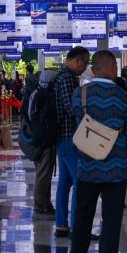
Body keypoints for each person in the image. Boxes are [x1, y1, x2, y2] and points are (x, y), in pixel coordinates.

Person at [59, 50, 127, 253]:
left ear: (93, 69)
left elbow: (79, 124)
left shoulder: (80, 95)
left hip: (87, 166)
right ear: (113, 69)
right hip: (117, 168)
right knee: (112, 218)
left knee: (82, 215)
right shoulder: (125, 98)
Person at [50, 50, 89, 238]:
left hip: (61, 137)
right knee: (80, 182)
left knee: (65, 183)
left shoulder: (59, 76)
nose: (85, 67)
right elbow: (70, 107)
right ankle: (77, 228)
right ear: (76, 60)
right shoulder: (66, 78)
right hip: (69, 137)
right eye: (85, 63)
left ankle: (61, 225)